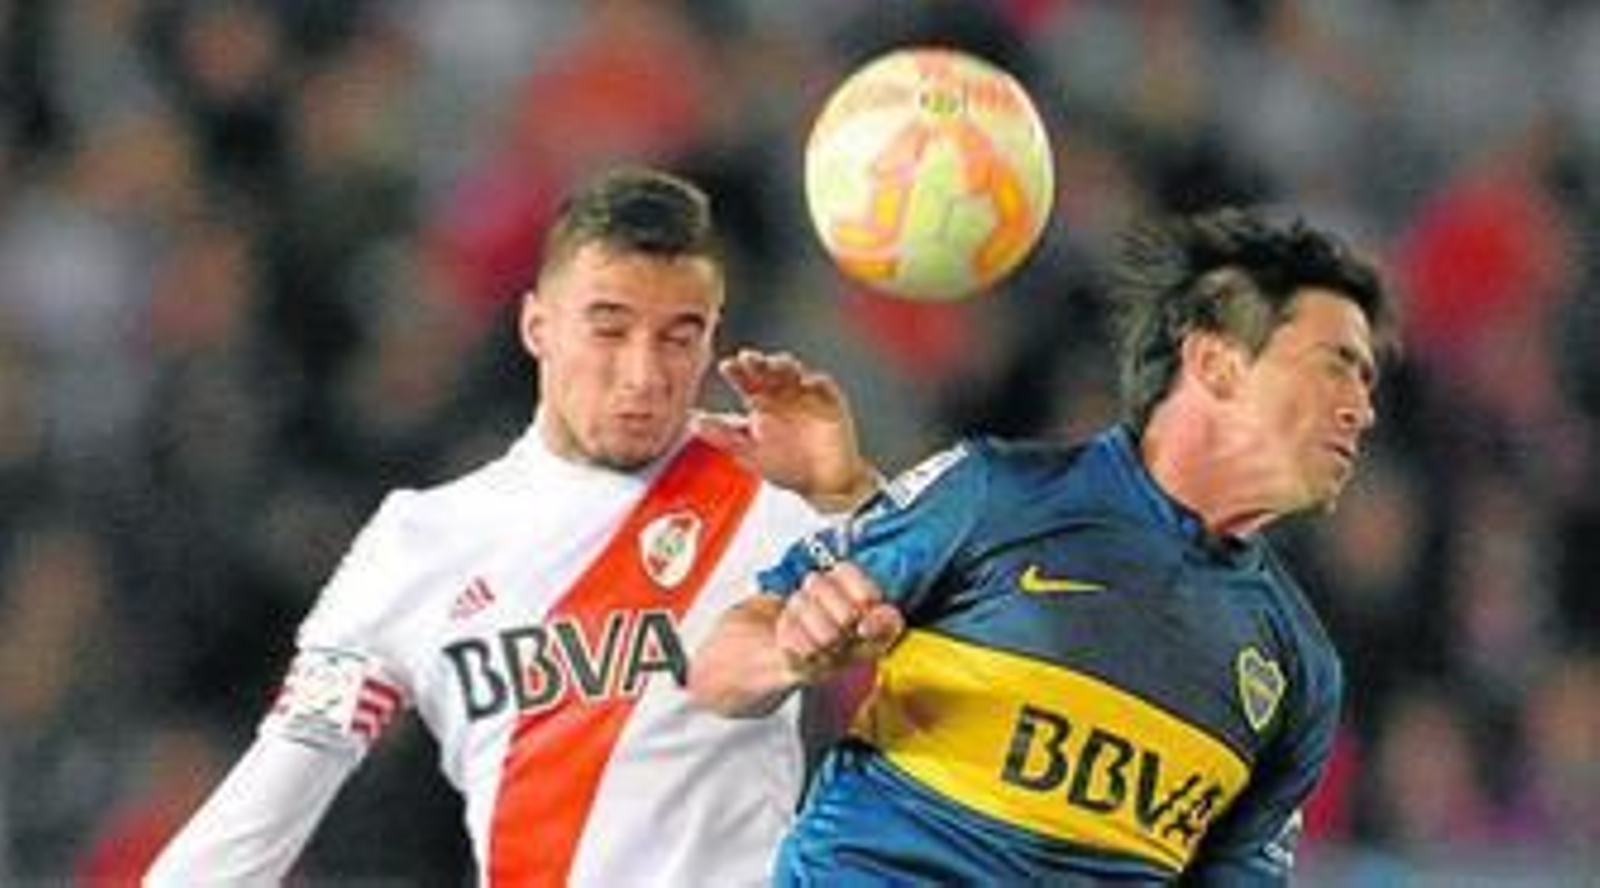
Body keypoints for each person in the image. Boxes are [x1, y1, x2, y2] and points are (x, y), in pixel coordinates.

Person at [146, 167, 879, 886]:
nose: (643, 374)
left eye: (677, 338)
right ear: (538, 326)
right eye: (610, 330)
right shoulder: (419, 542)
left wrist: (850, 494)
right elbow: (281, 781)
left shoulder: (771, 498)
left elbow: (964, 638)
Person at [690, 206, 1393, 884]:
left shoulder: (1300, 671)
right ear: (1216, 362)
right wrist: (790, 646)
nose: (1361, 408)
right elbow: (717, 666)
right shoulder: (995, 496)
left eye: (1366, 380)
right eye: (1335, 364)